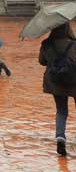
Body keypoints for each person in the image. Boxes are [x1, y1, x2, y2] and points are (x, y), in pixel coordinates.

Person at [39, 23, 76, 156]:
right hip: (74, 81)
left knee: (61, 111)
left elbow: (42, 61)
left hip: (56, 82)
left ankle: (60, 137)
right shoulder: (74, 44)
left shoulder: (46, 44)